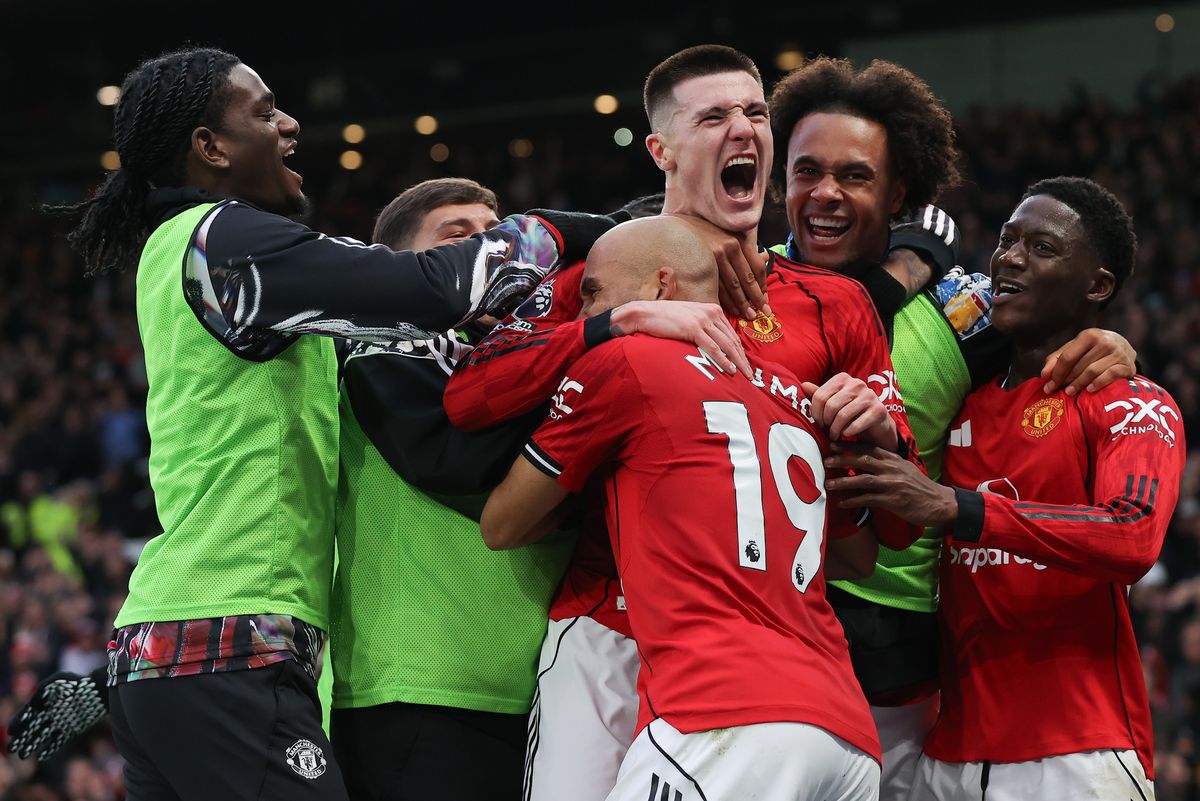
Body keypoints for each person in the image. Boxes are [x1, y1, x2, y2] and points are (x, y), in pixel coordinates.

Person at [443, 45, 1135, 801]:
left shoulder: (837, 306)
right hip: (612, 631)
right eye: (715, 116)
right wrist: (614, 322)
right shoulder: (611, 274)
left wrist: (880, 434)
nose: (743, 129)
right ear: (663, 151)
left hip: (780, 655)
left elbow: (882, 537)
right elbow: (471, 391)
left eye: (753, 113)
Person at [28, 46, 612, 800]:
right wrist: (585, 232)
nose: (289, 123)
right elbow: (429, 287)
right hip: (232, 656)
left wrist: (125, 676)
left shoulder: (186, 258)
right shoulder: (224, 238)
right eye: (265, 112)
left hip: (171, 651)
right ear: (210, 147)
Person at [766, 57, 1139, 800]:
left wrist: (1118, 347)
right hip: (766, 603)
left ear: (898, 191)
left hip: (896, 635)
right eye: (807, 171)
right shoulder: (739, 280)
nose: (826, 194)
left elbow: (1061, 330)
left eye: (855, 175)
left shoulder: (962, 313)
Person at [480, 215, 913, 800]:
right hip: (846, 731)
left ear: (660, 288)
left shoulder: (623, 360)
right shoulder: (796, 393)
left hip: (720, 709)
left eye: (594, 294)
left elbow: (503, 524)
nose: (585, 316)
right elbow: (857, 557)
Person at [824, 176, 1177, 800]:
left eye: (1043, 247)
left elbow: (1133, 534)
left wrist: (959, 508)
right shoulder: (965, 405)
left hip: (1076, 753)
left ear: (1097, 287)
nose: (1010, 257)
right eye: (1008, 240)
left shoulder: (1128, 400)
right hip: (947, 756)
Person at [328, 177, 574, 800]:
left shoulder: (523, 353)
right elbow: (462, 461)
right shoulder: (384, 337)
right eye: (458, 238)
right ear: (404, 270)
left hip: (538, 688)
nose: (488, 253)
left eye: (496, 238)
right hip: (415, 689)